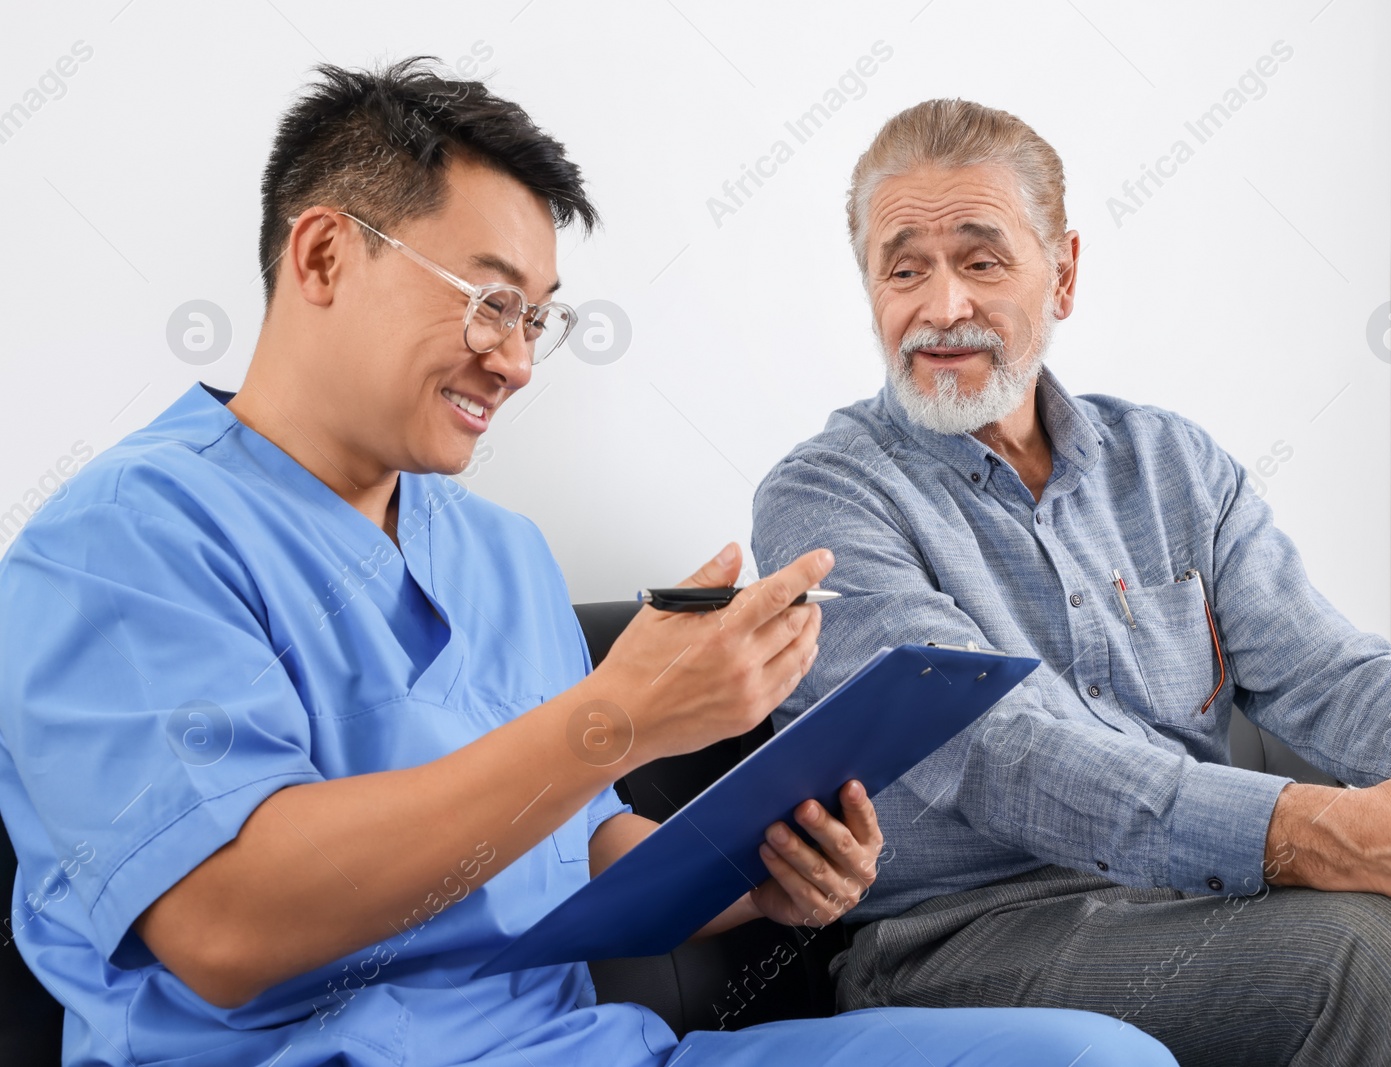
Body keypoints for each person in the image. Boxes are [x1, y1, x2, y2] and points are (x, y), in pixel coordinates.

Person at [0, 63, 1176, 1067]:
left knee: (1094, 1055)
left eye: (539, 318)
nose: (516, 360)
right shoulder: (120, 542)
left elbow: (583, 850)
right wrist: (617, 713)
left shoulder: (496, 551)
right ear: (320, 255)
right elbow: (223, 925)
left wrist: (759, 868)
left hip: (587, 1047)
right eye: (491, 303)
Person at [750, 97, 1391, 1065]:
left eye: (981, 260)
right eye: (904, 268)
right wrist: (1337, 830)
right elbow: (995, 748)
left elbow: (1328, 669)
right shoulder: (822, 496)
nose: (941, 306)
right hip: (961, 932)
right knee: (1373, 954)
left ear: (1062, 272)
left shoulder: (1171, 463)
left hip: (1196, 891)